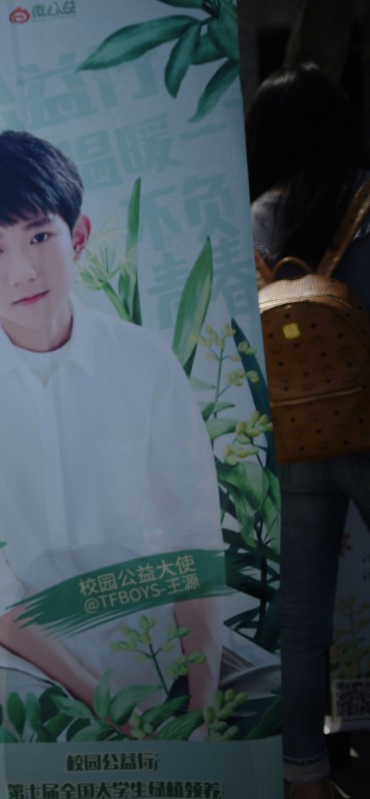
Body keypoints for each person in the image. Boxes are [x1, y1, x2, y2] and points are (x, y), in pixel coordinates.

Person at [0, 130, 239, 731]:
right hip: (13, 651)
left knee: (257, 701)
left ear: (80, 236)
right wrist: (116, 710)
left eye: (41, 236)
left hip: (144, 632)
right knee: (26, 727)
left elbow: (193, 534)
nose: (23, 271)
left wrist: (200, 708)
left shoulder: (145, 361)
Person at [247, 63, 370, 799]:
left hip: (291, 437)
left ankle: (304, 776)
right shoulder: (363, 202)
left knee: (299, 621)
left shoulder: (250, 218)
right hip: (363, 424)